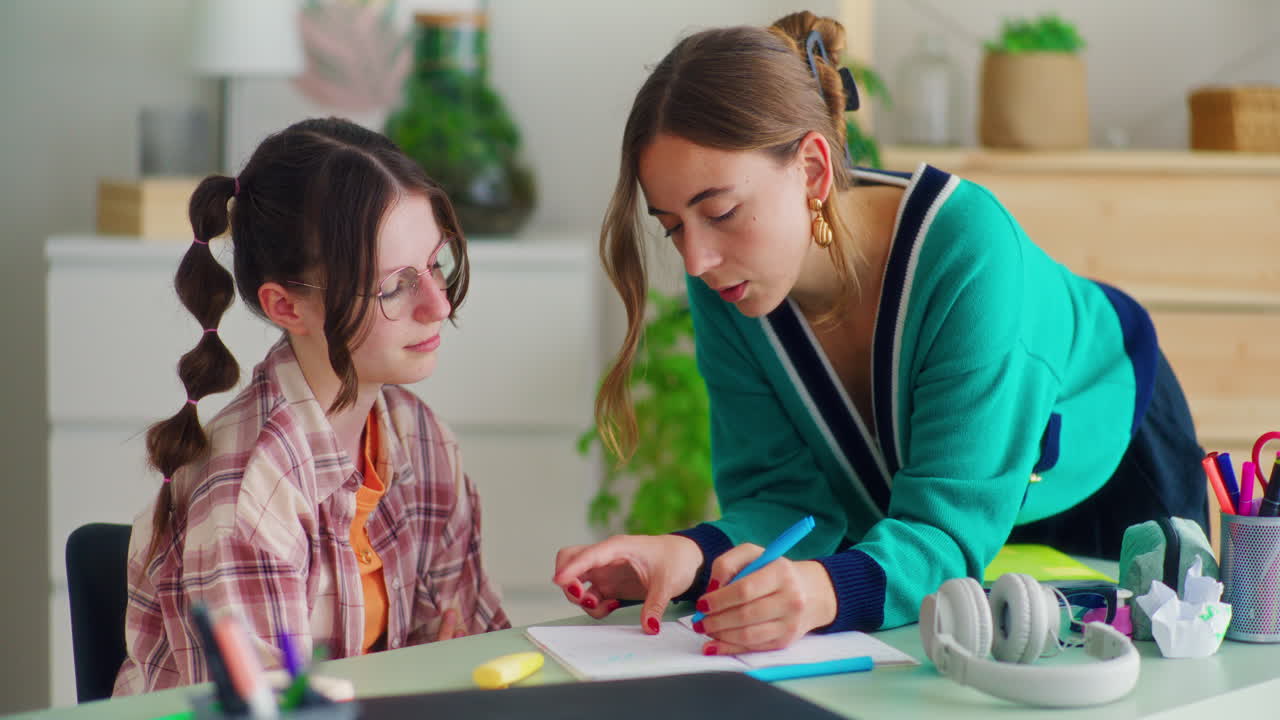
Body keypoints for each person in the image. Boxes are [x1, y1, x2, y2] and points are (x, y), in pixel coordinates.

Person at [553, 11, 1206, 656]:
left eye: (720, 212)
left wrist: (822, 592)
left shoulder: (967, 250)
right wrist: (688, 552)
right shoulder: (727, 283)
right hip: (936, 533)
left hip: (1104, 471)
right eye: (672, 226)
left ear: (811, 169)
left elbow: (945, 530)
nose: (695, 259)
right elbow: (782, 500)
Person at [115, 117, 509, 695]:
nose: (436, 303)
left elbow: (474, 658)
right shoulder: (247, 497)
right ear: (287, 307)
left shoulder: (422, 441)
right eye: (393, 286)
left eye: (435, 265)